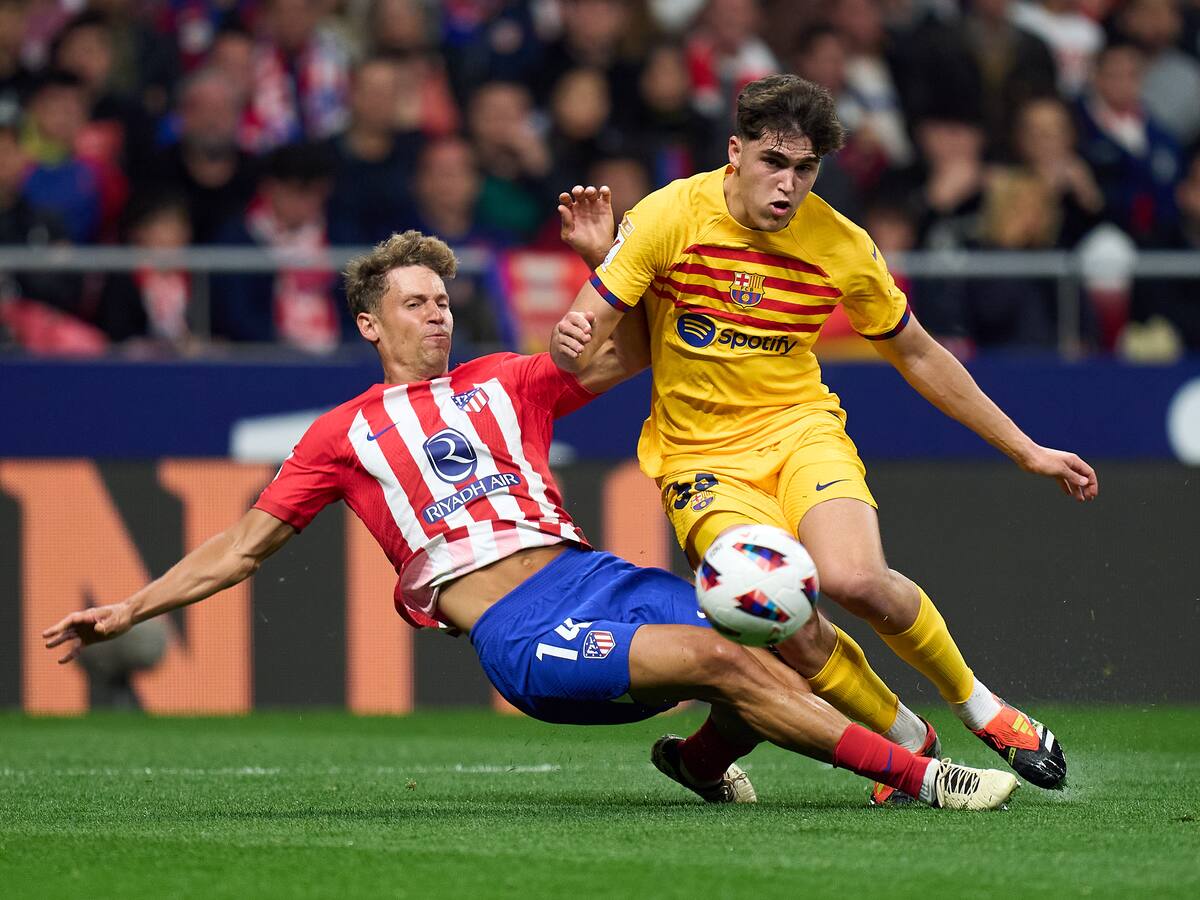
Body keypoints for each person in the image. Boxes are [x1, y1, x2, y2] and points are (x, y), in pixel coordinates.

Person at [43, 229, 1019, 813]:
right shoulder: (343, 436)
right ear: (370, 326)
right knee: (727, 661)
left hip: (595, 577)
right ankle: (918, 775)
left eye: (443, 300)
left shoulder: (508, 384)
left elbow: (637, 345)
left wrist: (609, 263)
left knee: (781, 625)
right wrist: (131, 607)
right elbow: (243, 544)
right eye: (414, 303)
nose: (437, 315)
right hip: (521, 631)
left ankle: (700, 761)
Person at [550, 74, 1096, 806]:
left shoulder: (841, 245)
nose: (789, 184)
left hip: (800, 428)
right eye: (774, 162)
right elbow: (584, 343)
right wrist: (576, 325)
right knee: (787, 620)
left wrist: (1024, 447)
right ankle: (909, 742)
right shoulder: (669, 215)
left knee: (856, 580)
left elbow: (921, 354)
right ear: (735, 153)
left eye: (805, 169)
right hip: (703, 459)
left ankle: (983, 709)